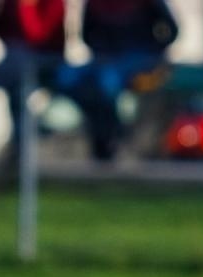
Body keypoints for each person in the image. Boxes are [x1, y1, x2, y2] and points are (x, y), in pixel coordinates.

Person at [72, 0, 179, 161]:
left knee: (106, 83)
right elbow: (87, 34)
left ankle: (112, 136)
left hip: (138, 58)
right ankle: (104, 135)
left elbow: (172, 30)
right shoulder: (96, 4)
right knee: (71, 80)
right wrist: (102, 50)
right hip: (107, 60)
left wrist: (153, 54)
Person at [0, 0, 70, 161]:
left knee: (13, 68)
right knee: (15, 88)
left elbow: (37, 35)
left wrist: (27, 7)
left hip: (46, 67)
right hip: (16, 69)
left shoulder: (54, 3)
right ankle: (19, 149)